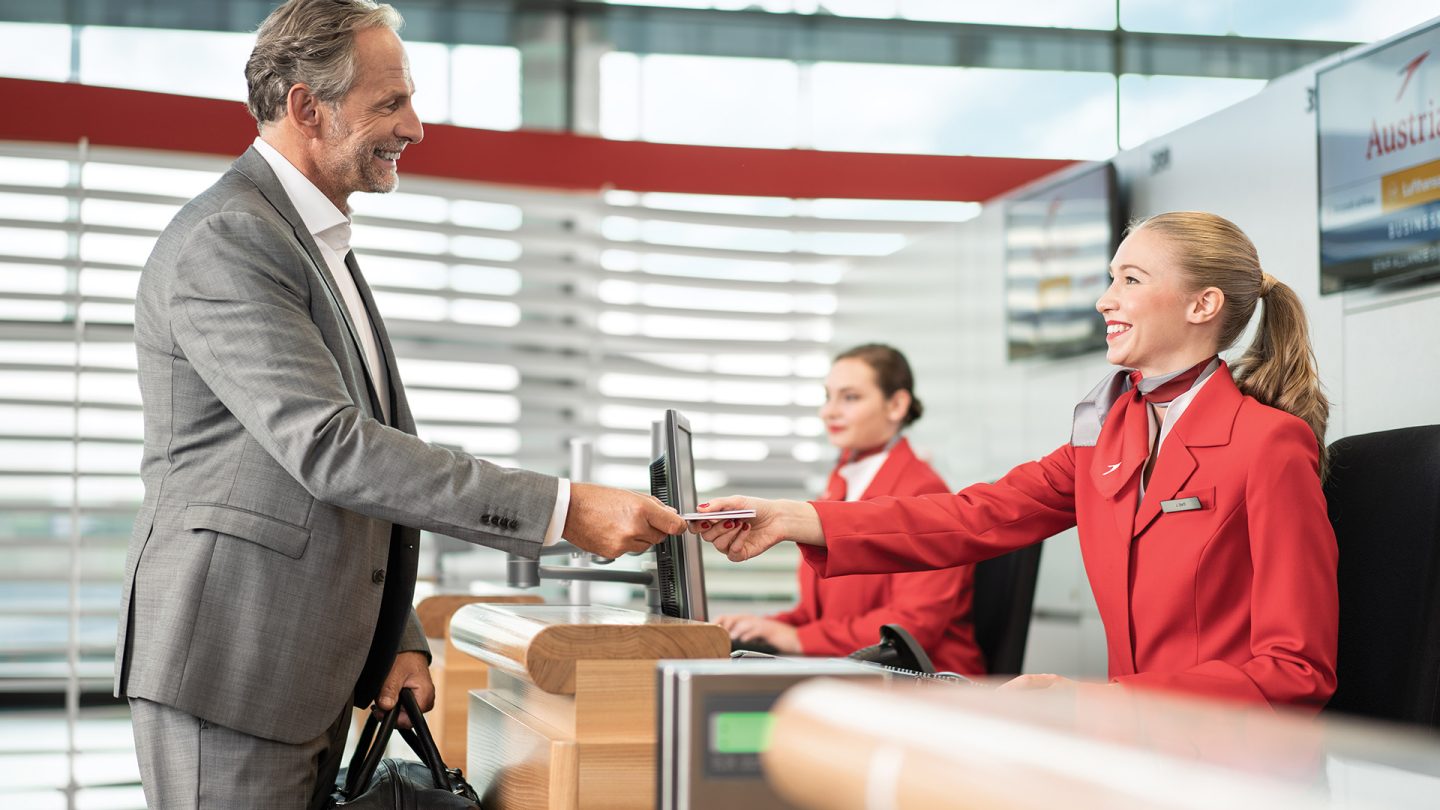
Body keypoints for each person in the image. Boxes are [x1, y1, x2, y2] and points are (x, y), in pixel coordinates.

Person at [116, 2, 686, 807]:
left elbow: (351, 485)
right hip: (236, 668)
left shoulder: (311, 243)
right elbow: (335, 451)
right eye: (390, 103)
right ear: (308, 108)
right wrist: (562, 509)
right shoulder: (231, 238)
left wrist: (397, 636)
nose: (415, 127)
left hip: (299, 665)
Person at [694, 212, 1338, 710]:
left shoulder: (1268, 443)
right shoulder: (1109, 437)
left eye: (1130, 281)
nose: (1104, 300)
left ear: (1203, 305)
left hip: (1230, 763)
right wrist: (791, 518)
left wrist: (1099, 702)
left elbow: (1296, 670)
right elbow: (970, 517)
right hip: (1135, 748)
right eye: (1111, 278)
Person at [716, 344, 985, 674]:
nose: (828, 412)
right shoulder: (840, 485)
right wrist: (763, 627)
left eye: (850, 397)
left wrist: (797, 638)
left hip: (927, 684)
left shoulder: (925, 494)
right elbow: (823, 615)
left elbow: (912, 628)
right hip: (858, 673)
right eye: (828, 396)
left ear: (897, 404)